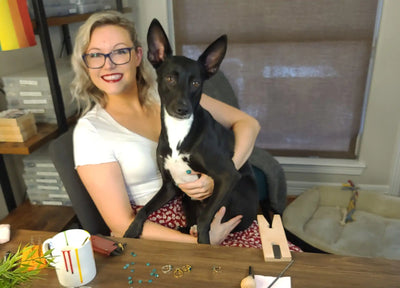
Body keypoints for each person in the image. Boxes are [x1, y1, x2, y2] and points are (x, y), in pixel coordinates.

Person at [71, 11, 261, 247]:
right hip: (163, 236)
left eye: (120, 51)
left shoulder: (171, 95)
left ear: (140, 55)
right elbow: (121, 224)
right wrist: (202, 242)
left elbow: (248, 124)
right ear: (86, 63)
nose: (108, 64)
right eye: (96, 55)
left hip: (217, 209)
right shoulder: (91, 131)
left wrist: (221, 176)